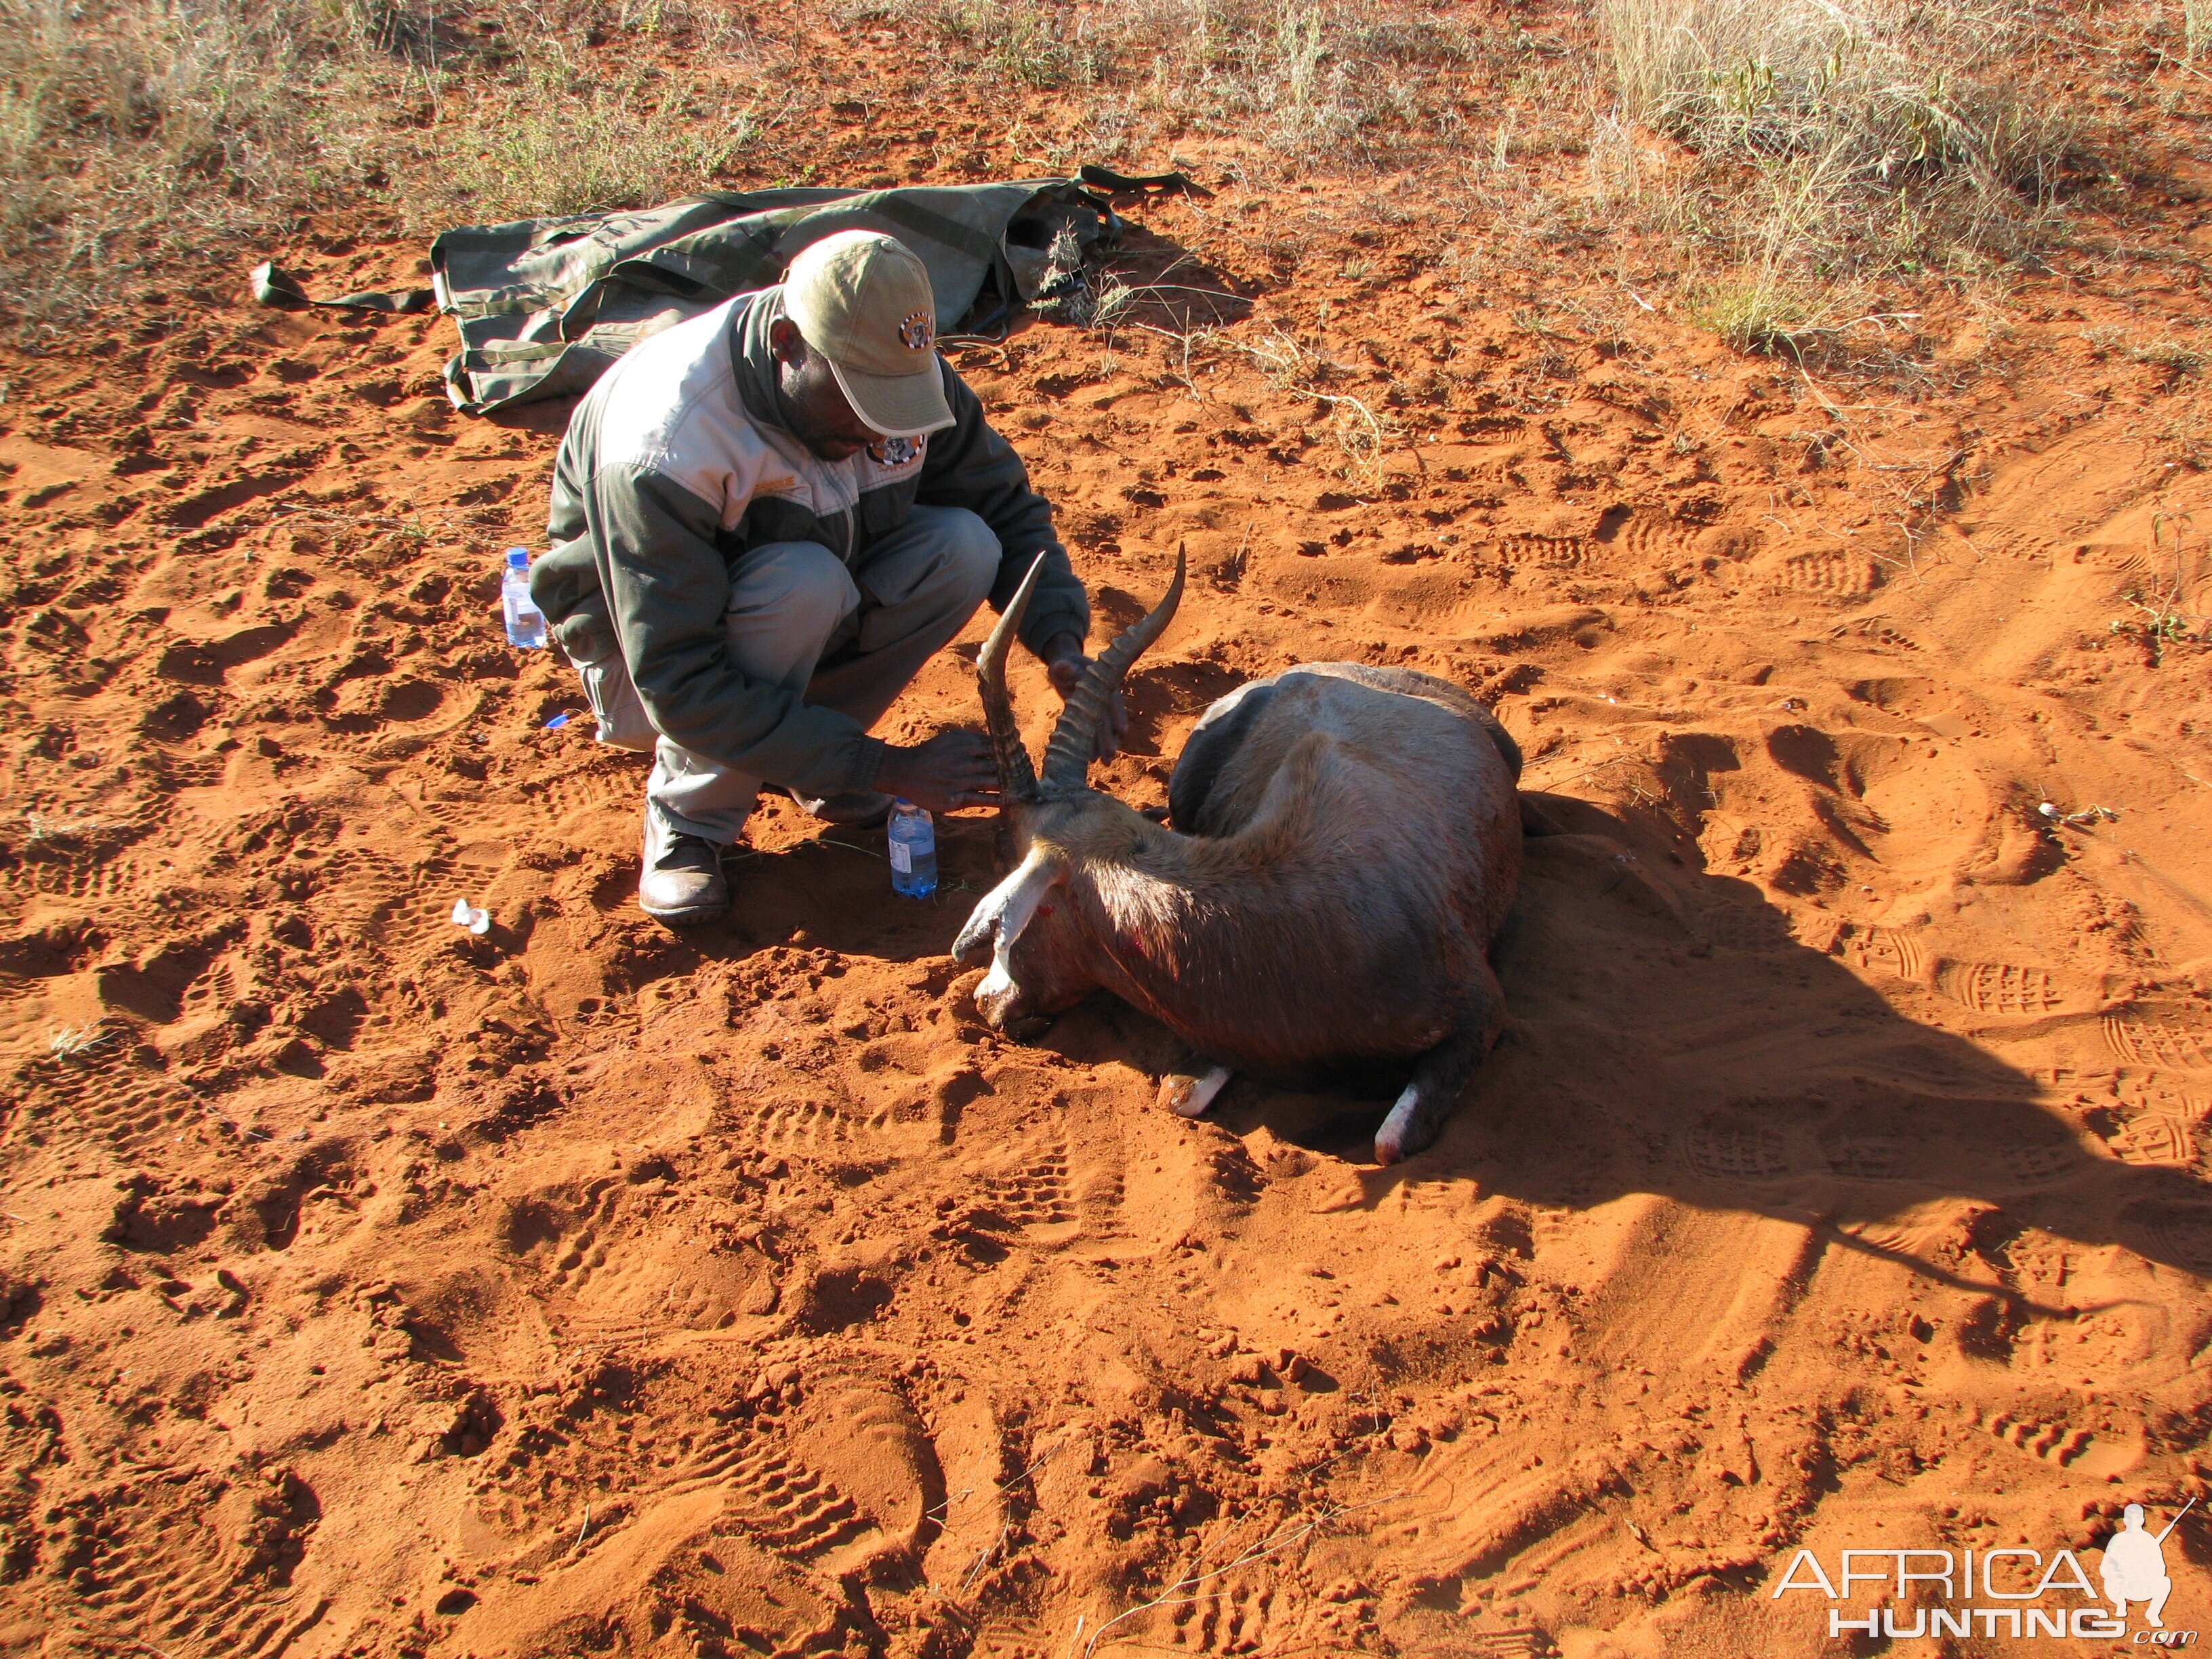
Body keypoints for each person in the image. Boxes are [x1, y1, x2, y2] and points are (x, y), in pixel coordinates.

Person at [528, 230, 1124, 926]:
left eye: (893, 409)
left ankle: (813, 762)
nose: (880, 434)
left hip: (802, 611)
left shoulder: (901, 370)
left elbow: (1004, 506)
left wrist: (1060, 640)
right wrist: (883, 769)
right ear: (787, 344)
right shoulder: (668, 443)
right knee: (800, 584)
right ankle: (688, 823)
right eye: (861, 406)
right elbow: (679, 681)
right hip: (644, 669)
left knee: (964, 546)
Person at [2100, 1504, 2172, 1627]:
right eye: (2130, 1519)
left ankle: (2153, 1614)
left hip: (2141, 1586)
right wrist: (2119, 1572)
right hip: (2121, 1587)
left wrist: (2144, 1568)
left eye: (2137, 1519)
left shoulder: (2149, 1540)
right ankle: (2120, 1605)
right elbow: (2105, 1567)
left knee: (2165, 1582)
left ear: (2142, 1521)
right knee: (2112, 1580)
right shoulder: (2118, 1540)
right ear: (2125, 1521)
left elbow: (2161, 1569)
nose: (2133, 1522)